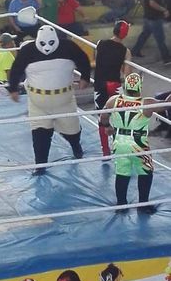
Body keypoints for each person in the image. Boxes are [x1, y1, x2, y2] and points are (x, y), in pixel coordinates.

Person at [9, 24, 91, 175]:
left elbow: (83, 59)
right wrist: (13, 88)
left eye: (51, 43)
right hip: (38, 102)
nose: (47, 48)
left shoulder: (68, 47)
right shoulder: (28, 50)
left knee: (72, 131)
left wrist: (85, 77)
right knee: (40, 134)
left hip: (64, 100)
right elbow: (16, 68)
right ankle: (40, 165)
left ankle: (76, 146)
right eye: (43, 44)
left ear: (56, 40)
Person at [100, 72, 171, 214]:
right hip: (138, 143)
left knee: (122, 172)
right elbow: (167, 104)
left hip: (119, 141)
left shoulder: (113, 100)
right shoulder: (147, 103)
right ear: (139, 87)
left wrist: (107, 127)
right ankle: (143, 204)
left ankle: (121, 205)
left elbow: (103, 116)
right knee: (146, 171)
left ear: (125, 86)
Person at [94, 20, 131, 157]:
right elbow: (127, 74)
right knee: (118, 117)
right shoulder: (125, 51)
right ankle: (118, 147)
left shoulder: (100, 44)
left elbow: (98, 61)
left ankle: (105, 151)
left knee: (101, 116)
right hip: (115, 85)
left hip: (99, 84)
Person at [131, 0, 171, 64]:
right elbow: (152, 3)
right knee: (160, 39)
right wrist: (164, 10)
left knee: (144, 35)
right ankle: (166, 58)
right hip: (155, 18)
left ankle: (135, 51)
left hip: (147, 16)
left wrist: (146, 9)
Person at [0, 32, 16, 98]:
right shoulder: (7, 54)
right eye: (12, 41)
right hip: (4, 85)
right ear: (8, 43)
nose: (14, 42)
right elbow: (9, 72)